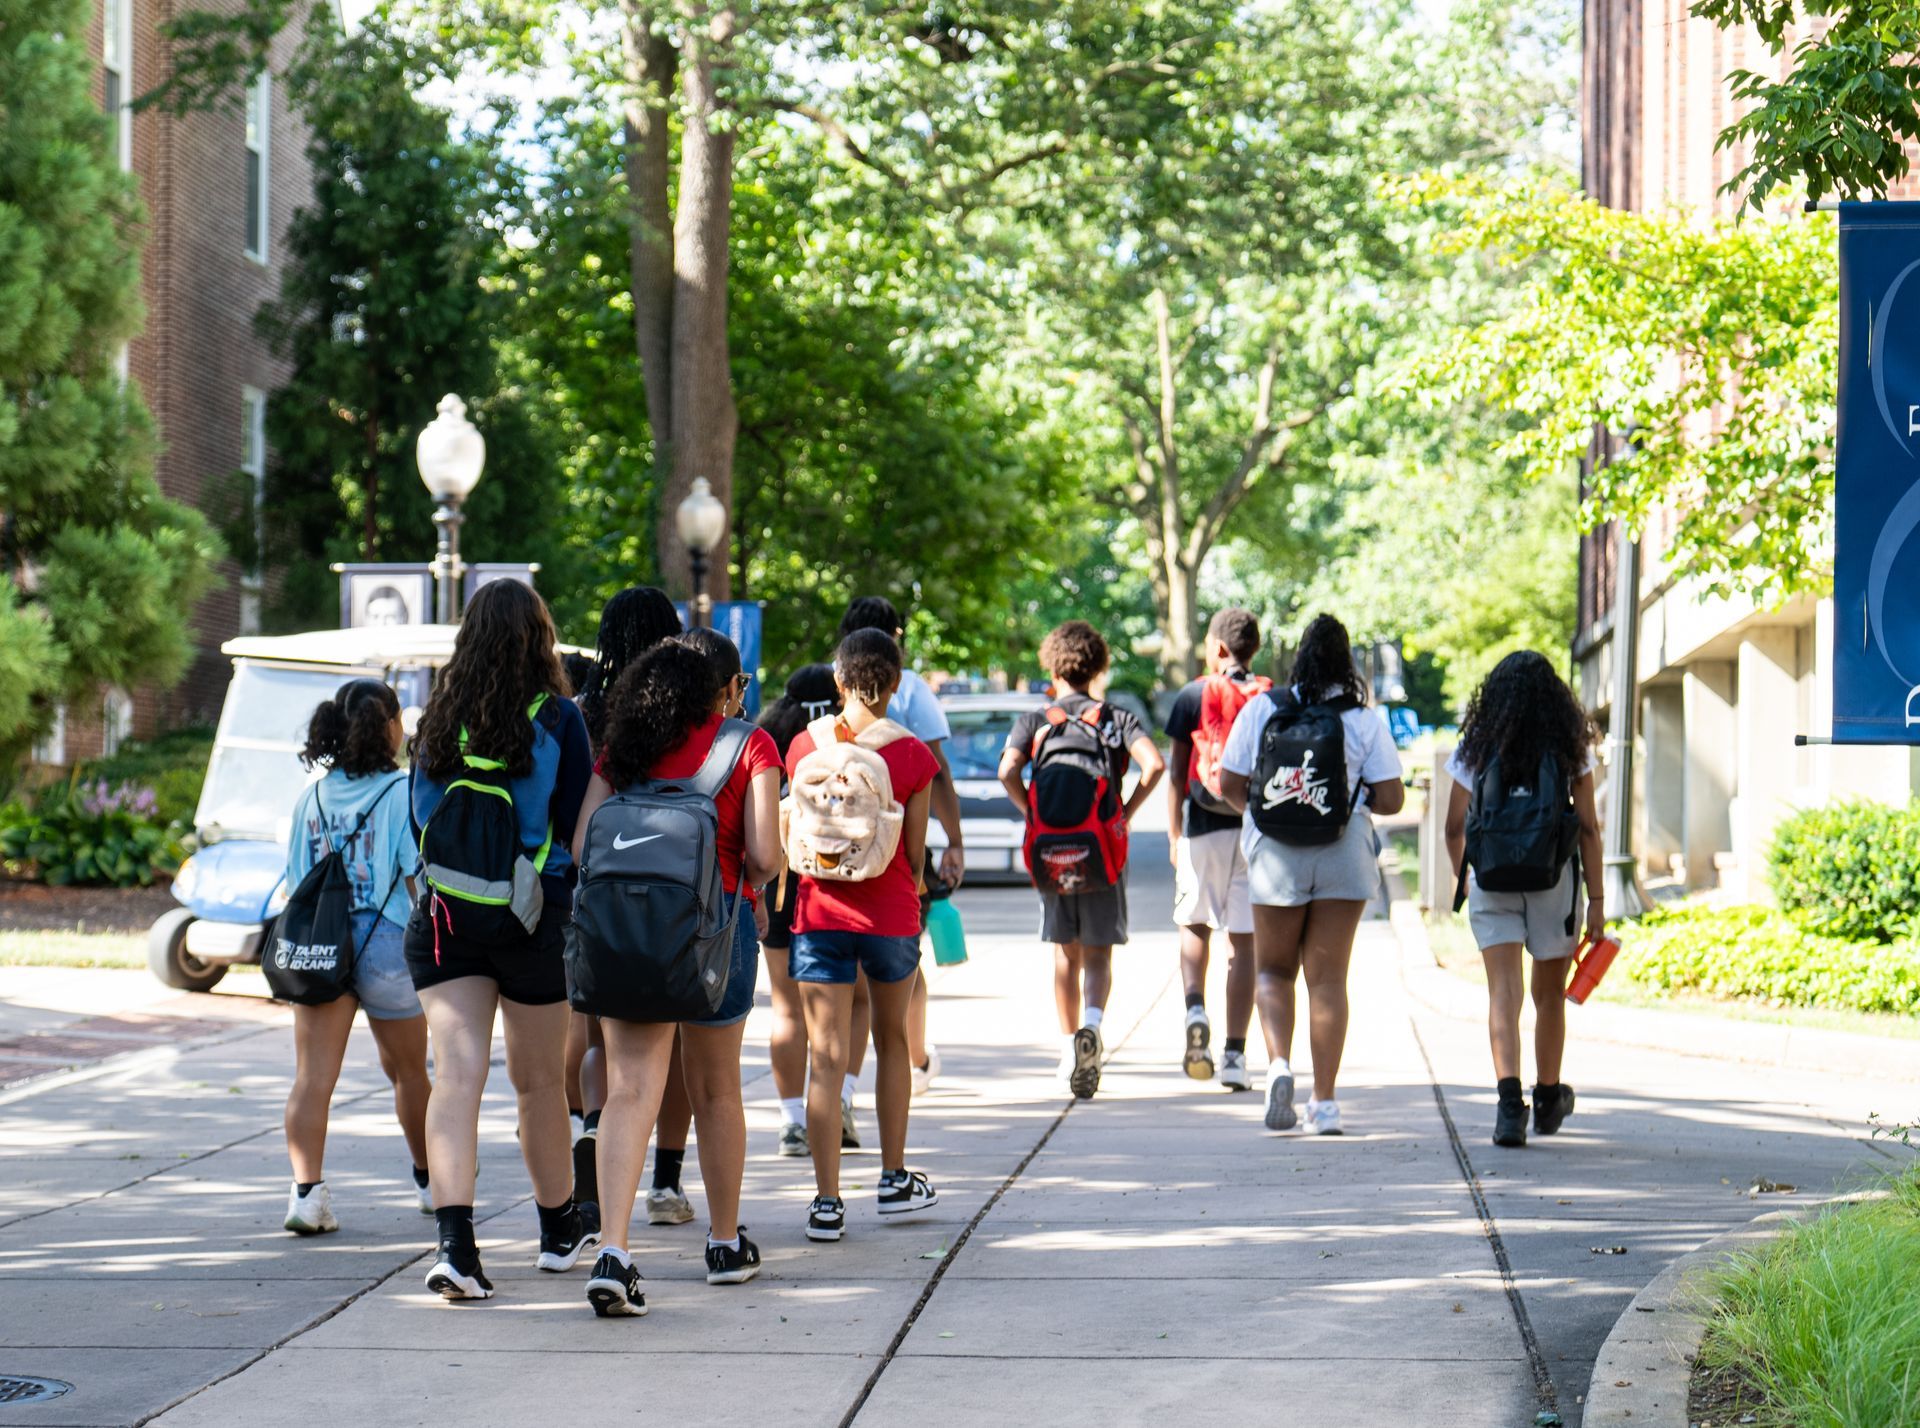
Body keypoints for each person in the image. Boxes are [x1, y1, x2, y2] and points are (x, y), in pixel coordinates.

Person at [573, 635, 782, 1314]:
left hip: (629, 937)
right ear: (719, 689)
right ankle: (724, 1245)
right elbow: (766, 854)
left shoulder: (622, 748)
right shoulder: (749, 745)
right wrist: (734, 886)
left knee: (631, 1090)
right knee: (718, 1090)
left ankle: (613, 1249)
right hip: (717, 936)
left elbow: (582, 847)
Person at [405, 579, 595, 1301]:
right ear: (538, 637)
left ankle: (456, 1248)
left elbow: (415, 821)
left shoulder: (436, 721)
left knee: (455, 1078)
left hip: (446, 919)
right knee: (539, 1083)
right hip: (531, 919)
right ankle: (555, 1232)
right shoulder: (559, 717)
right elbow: (577, 825)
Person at [1218, 613, 1403, 1136]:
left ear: (1299, 657)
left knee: (1273, 971)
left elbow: (1228, 781)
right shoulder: (1363, 719)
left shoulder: (1262, 709)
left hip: (1277, 852)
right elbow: (1391, 798)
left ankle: (1278, 1066)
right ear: (1346, 662)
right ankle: (1324, 1104)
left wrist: (1259, 815)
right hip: (1342, 851)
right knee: (1327, 981)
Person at [786, 629, 942, 1242]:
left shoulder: (804, 745)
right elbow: (913, 849)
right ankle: (893, 1177)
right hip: (891, 916)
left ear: (838, 679)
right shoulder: (911, 757)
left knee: (824, 1058)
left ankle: (827, 1202)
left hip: (819, 913)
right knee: (892, 1042)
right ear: (897, 683)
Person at [280, 679, 432, 1236]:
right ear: (390, 725)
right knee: (410, 1071)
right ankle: (430, 1180)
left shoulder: (311, 796)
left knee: (313, 1078)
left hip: (321, 943)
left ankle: (307, 1195)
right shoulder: (401, 792)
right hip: (386, 943)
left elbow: (297, 880)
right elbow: (417, 873)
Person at [1443, 651, 1604, 1148]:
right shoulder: (1568, 747)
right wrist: (1597, 900)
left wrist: (1466, 878)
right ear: (1553, 697)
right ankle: (1549, 1097)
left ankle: (1509, 1107)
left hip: (1491, 880)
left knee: (1503, 995)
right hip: (1552, 880)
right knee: (1548, 995)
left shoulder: (1476, 746)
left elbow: (1453, 828)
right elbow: (1591, 831)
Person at [568, 587, 693, 1228]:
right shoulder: (681, 709)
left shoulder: (585, 710)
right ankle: (666, 1182)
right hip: (674, 890)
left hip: (598, 886)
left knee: (599, 1037)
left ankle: (595, 1129)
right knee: (668, 1045)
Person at [999, 621, 1164, 1101]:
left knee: (1063, 952)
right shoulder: (1115, 719)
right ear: (1098, 666)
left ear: (1052, 664)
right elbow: (1153, 765)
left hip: (1051, 852)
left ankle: (1069, 1048)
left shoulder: (1034, 720)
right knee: (1098, 953)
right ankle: (1092, 1025)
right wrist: (1125, 813)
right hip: (1102, 850)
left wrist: (1031, 810)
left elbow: (1007, 769)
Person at [837, 597, 963, 1099]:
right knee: (904, 965)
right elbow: (937, 767)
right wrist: (953, 841)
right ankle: (915, 1059)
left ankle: (842, 1086)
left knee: (845, 985)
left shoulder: (827, 689)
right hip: (891, 853)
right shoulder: (907, 689)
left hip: (828, 857)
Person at [1164, 609, 1262, 1090]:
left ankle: (1195, 1009)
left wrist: (1172, 835)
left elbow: (1178, 773)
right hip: (1256, 830)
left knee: (1195, 922)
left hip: (1202, 826)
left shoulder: (1192, 694)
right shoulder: (1268, 697)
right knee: (1244, 941)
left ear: (1219, 648)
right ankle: (1236, 1056)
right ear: (1254, 649)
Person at [756, 663, 844, 1157]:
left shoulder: (769, 737)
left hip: (778, 883)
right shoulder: (841, 740)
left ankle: (792, 1119)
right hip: (831, 883)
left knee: (786, 1007)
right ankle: (837, 1104)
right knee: (839, 1008)